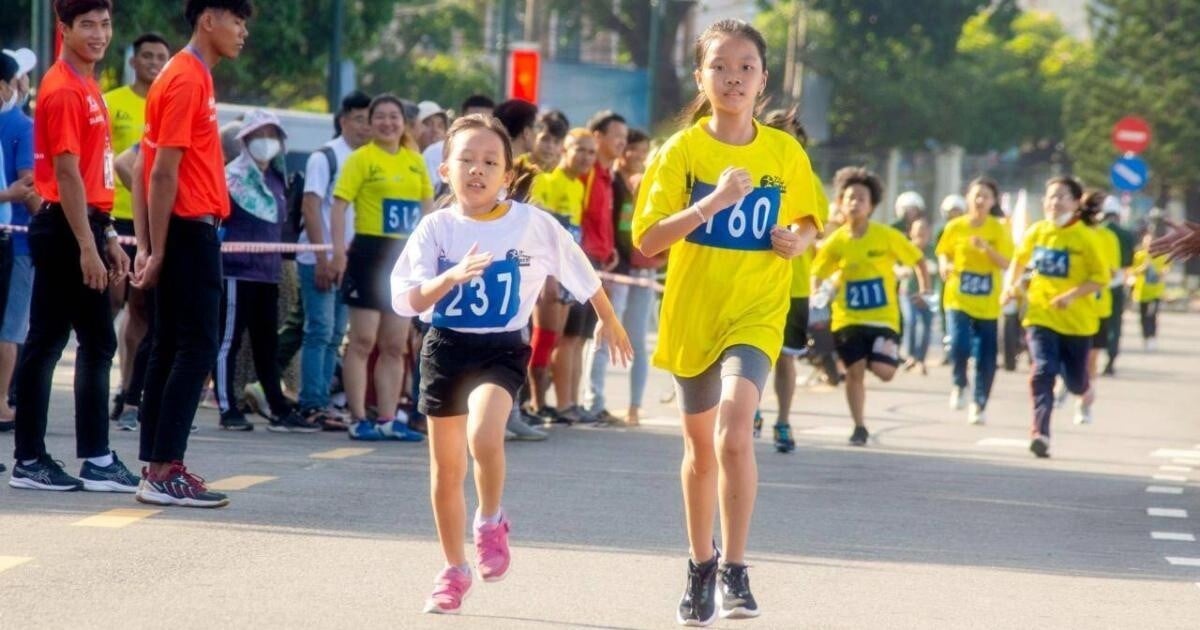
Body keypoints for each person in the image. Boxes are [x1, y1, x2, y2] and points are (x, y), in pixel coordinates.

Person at [391, 114, 632, 614]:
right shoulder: (435, 229)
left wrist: (608, 319)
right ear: (444, 169)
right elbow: (405, 300)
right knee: (445, 468)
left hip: (501, 349)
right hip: (445, 347)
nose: (477, 170)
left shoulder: (529, 223)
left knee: (485, 435)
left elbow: (577, 267)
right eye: (466, 160)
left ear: (506, 174)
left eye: (489, 162)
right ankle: (454, 568)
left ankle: (490, 519)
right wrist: (449, 278)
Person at [632, 20, 820, 625]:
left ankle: (736, 568)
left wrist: (798, 238)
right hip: (694, 314)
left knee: (734, 432)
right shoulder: (681, 151)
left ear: (763, 78)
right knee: (699, 450)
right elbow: (646, 242)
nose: (733, 77)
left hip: (756, 312)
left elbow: (811, 221)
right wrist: (711, 202)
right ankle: (700, 563)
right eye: (720, 66)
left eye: (745, 67)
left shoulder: (783, 151)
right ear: (701, 76)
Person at [9, 0, 140, 493]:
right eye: (87, 24)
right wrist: (88, 244)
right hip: (66, 227)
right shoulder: (63, 88)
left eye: (105, 24)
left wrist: (106, 235)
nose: (99, 34)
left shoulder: (90, 88)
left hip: (82, 224)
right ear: (63, 29)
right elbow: (64, 174)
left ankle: (48, 457)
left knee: (54, 341)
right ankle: (75, 458)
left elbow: (90, 174)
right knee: (84, 342)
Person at [132, 0, 256, 508]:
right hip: (188, 230)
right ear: (209, 19)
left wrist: (147, 243)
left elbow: (140, 164)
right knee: (195, 347)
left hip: (182, 231)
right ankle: (165, 469)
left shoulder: (188, 75)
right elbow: (159, 172)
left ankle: (156, 467)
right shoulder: (185, 77)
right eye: (237, 20)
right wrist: (156, 247)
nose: (243, 31)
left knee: (169, 346)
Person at [329, 94, 432, 442]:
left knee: (395, 344)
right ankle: (359, 417)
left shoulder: (414, 162)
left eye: (395, 117)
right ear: (370, 123)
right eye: (381, 117)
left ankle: (388, 416)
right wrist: (338, 253)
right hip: (368, 254)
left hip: (402, 258)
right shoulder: (361, 159)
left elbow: (428, 212)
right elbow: (339, 206)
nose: (388, 123)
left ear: (404, 123)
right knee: (361, 340)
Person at [212, 109, 318, 433]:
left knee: (266, 344)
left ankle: (278, 406)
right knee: (228, 341)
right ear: (245, 140)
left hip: (267, 274)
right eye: (259, 135)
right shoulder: (229, 177)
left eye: (272, 136)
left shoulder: (277, 180)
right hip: (235, 273)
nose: (266, 142)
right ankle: (227, 407)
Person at [813, 167, 929, 448]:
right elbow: (818, 271)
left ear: (872, 205)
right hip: (848, 318)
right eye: (849, 197)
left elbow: (917, 260)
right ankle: (859, 426)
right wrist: (816, 291)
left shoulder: (886, 236)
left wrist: (924, 289)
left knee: (885, 371)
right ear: (840, 202)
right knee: (854, 373)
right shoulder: (837, 241)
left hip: (883, 318)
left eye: (861, 198)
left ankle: (885, 357)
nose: (855, 203)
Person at [1002, 177, 1106, 459]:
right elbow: (1018, 261)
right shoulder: (1037, 231)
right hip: (1040, 316)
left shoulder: (1086, 237)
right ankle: (1040, 433)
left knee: (1073, 382)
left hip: (1077, 323)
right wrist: (1009, 288)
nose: (1054, 202)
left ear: (1075, 203)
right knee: (1043, 370)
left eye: (1061, 197)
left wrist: (1071, 295)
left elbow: (1100, 278)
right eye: (1050, 197)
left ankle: (1085, 389)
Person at [104, 32, 170, 431]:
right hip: (117, 217)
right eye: (146, 56)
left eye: (161, 56)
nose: (154, 63)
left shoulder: (168, 100)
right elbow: (109, 158)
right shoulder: (114, 102)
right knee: (111, 302)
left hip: (152, 219)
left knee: (142, 308)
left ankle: (130, 390)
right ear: (133, 60)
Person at [294, 90, 371, 430]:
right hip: (319, 260)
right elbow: (311, 206)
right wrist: (323, 256)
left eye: (370, 120)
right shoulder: (326, 157)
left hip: (349, 263)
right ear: (343, 121)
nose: (366, 126)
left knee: (337, 332)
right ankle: (310, 403)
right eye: (359, 119)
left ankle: (324, 401)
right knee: (320, 330)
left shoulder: (367, 159)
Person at [760, 107, 828, 453]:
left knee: (785, 357)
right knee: (751, 351)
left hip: (793, 284)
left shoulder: (809, 181)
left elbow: (815, 228)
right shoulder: (751, 169)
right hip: (752, 280)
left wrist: (794, 240)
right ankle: (750, 410)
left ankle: (782, 420)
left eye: (793, 136)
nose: (787, 141)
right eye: (778, 133)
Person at [936, 177, 1012, 424]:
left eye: (986, 196)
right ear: (967, 197)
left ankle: (979, 403)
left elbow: (1007, 263)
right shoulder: (955, 227)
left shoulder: (998, 229)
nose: (980, 200)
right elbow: (943, 253)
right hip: (958, 296)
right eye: (976, 195)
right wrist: (945, 265)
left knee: (986, 356)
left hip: (988, 301)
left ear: (993, 201)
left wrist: (986, 249)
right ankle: (959, 383)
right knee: (959, 344)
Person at [605, 128, 658, 427]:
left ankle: (634, 406)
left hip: (644, 270)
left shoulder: (648, 183)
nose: (637, 155)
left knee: (637, 339)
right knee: (606, 335)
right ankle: (594, 401)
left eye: (642, 149)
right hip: (614, 269)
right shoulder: (610, 181)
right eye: (631, 148)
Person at [0, 48, 40, 432]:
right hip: (19, 241)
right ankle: (2, 402)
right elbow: (28, 184)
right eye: (22, 76)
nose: (25, 83)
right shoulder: (23, 125)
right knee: (12, 326)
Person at [545, 129, 596, 424]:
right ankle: (552, 403)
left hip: (571, 271)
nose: (586, 157)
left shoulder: (579, 185)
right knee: (556, 340)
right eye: (580, 150)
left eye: (591, 152)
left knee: (573, 339)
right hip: (551, 273)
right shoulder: (549, 182)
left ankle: (570, 402)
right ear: (564, 150)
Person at [581, 110, 628, 423]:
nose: (622, 142)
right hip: (584, 264)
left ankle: (591, 402)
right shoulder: (586, 174)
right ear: (597, 137)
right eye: (616, 136)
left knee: (593, 334)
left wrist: (609, 250)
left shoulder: (610, 177)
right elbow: (580, 220)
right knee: (579, 336)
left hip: (602, 262)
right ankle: (588, 403)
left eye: (625, 137)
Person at [1072, 190, 1120, 425]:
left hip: (1097, 307)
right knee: (1069, 355)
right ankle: (1067, 382)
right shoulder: (1070, 234)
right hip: (1069, 306)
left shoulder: (1108, 238)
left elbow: (1111, 272)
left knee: (1091, 359)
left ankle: (1084, 403)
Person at [423, 94, 494, 192]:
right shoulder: (435, 152)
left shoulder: (497, 154)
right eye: (474, 120)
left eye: (486, 120)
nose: (480, 126)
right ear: (461, 118)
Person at [1100, 196, 1134, 375]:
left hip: (1095, 285)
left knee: (1094, 322)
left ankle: (1088, 360)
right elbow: (1129, 262)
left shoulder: (1095, 232)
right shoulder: (1126, 234)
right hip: (1117, 283)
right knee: (1114, 323)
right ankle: (1111, 360)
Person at [899, 217, 935, 374]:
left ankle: (921, 359)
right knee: (911, 322)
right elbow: (895, 265)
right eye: (917, 230)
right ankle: (911, 356)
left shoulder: (933, 250)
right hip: (908, 292)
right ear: (911, 232)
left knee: (926, 326)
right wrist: (900, 271)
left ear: (929, 233)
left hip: (929, 294)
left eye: (924, 230)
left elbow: (937, 267)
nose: (921, 233)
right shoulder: (905, 248)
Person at [1130, 230, 1167, 351]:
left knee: (1152, 315)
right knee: (1143, 316)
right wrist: (1142, 268)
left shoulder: (1161, 256)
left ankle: (1152, 337)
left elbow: (1165, 270)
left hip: (1155, 292)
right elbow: (1133, 271)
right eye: (1147, 242)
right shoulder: (1139, 255)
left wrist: (1162, 272)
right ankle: (1146, 337)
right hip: (1142, 292)